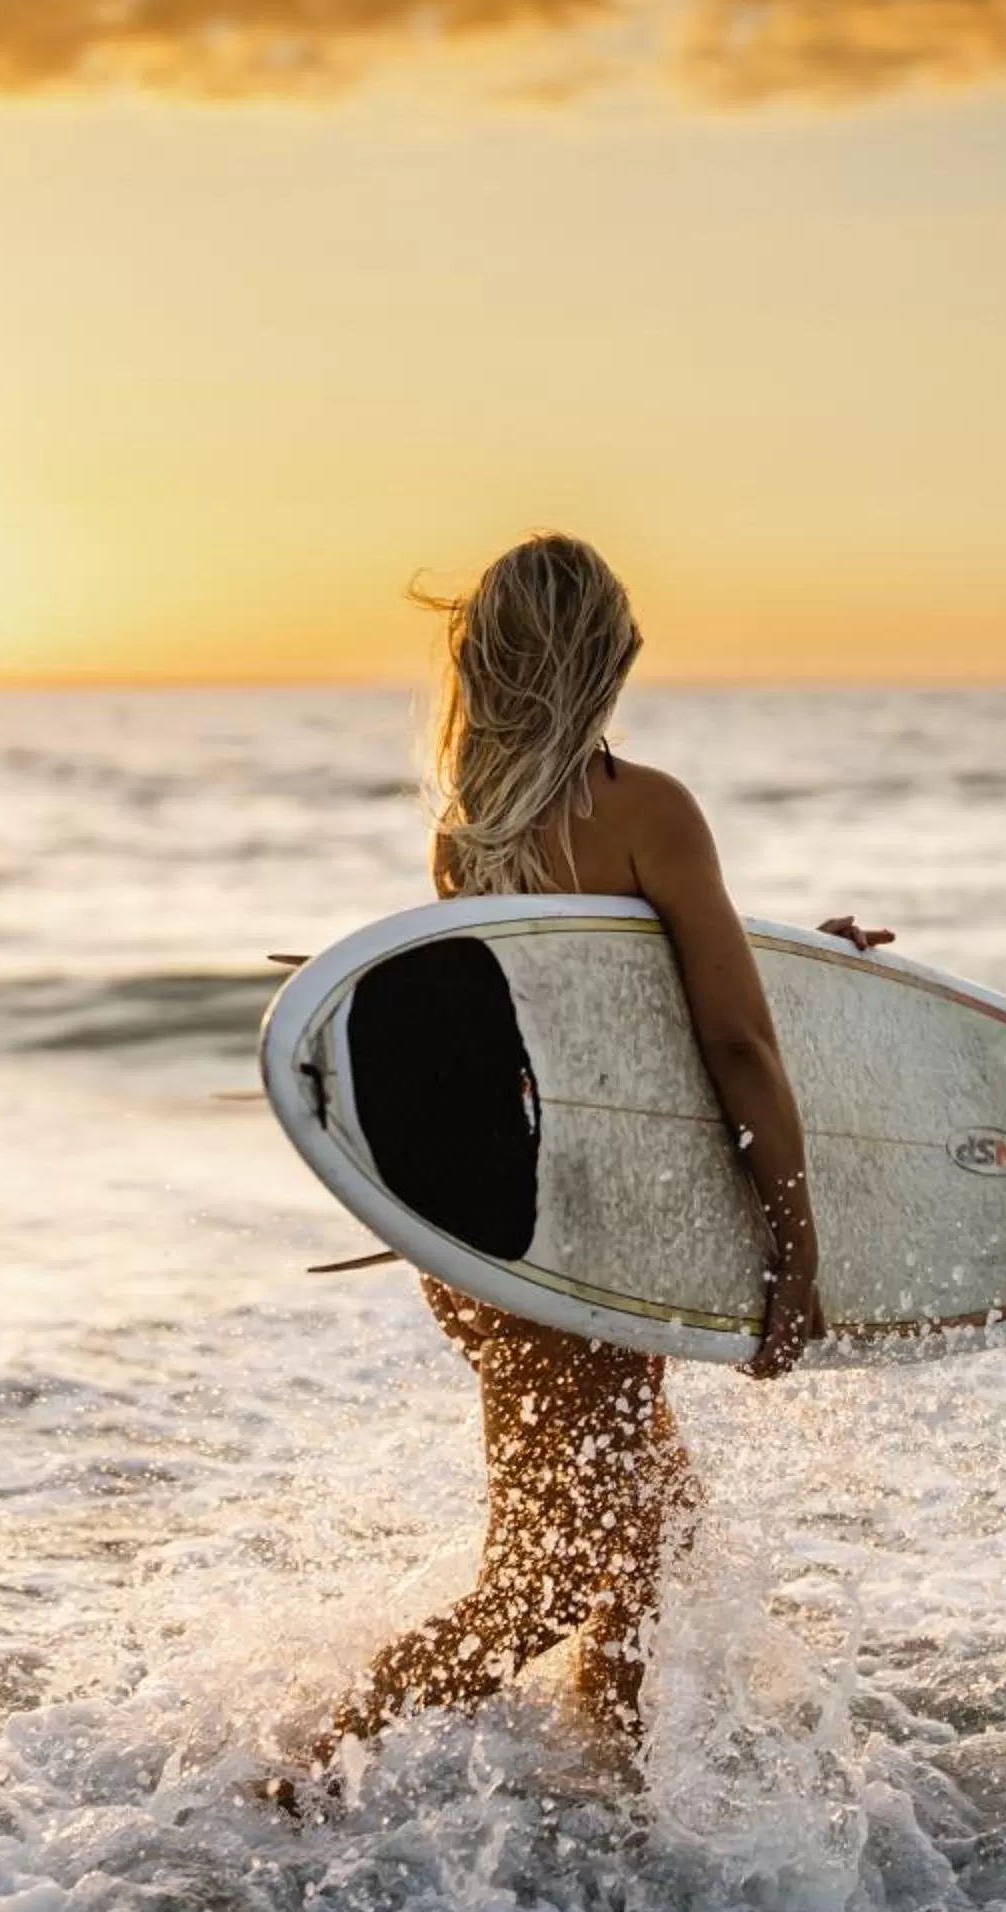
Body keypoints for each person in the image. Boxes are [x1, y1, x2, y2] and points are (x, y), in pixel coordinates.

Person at [307, 533, 888, 1782]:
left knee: (652, 1537)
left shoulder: (470, 833)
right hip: (584, 1230)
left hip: (493, 1229)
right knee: (549, 1579)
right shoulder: (648, 808)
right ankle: (306, 1772)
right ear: (607, 658)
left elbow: (601, 1012)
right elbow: (729, 1041)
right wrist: (796, 1250)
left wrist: (793, 961)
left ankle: (605, 1791)